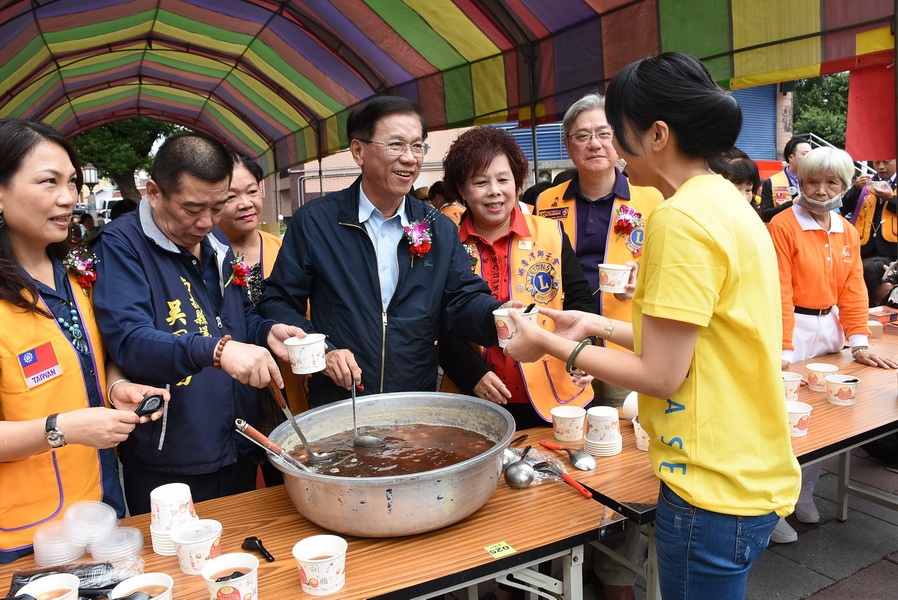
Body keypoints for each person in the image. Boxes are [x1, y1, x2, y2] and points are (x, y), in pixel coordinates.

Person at [504, 52, 801, 599]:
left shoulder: (676, 218)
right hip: (749, 466)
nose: (611, 147)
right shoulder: (727, 204)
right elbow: (700, 339)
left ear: (657, 134)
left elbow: (662, 375)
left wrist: (545, 342)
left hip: (709, 482)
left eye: (617, 132)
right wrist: (596, 322)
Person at [92, 132, 304, 514]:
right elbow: (128, 339)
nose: (207, 222)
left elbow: (235, 318)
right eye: (192, 209)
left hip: (236, 436)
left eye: (216, 206)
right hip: (172, 450)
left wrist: (264, 331)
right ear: (153, 191)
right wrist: (218, 350)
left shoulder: (216, 244)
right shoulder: (122, 245)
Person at [258, 96, 504, 406]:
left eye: (417, 146)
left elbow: (462, 300)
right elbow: (278, 301)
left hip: (415, 400)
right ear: (359, 150)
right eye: (396, 145)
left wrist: (500, 316)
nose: (410, 158)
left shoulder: (438, 227)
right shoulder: (316, 222)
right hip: (341, 399)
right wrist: (323, 349)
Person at [0, 118, 167, 562]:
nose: (69, 197)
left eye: (72, 181)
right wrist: (63, 429)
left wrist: (116, 387)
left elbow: (95, 356)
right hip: (25, 535)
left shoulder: (77, 277)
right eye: (48, 182)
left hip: (99, 506)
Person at [768, 146, 898, 543]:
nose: (821, 191)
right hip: (793, 329)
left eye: (832, 183)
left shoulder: (845, 228)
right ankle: (772, 508)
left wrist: (859, 342)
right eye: (812, 182)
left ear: (844, 185)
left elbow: (853, 287)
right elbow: (780, 293)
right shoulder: (783, 224)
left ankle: (804, 494)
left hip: (831, 330)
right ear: (800, 182)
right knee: (784, 423)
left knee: (827, 420)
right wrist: (784, 352)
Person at [438, 126, 596, 429]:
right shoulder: (448, 242)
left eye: (503, 179)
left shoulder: (550, 232)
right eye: (480, 182)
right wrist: (471, 373)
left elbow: (580, 302)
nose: (494, 191)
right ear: (461, 189)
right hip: (477, 394)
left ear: (518, 182)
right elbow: (438, 319)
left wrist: (586, 353)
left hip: (557, 394)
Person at [534, 93, 664, 409]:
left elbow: (666, 272)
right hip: (567, 344)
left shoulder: (651, 199)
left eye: (604, 133)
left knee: (628, 429)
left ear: (619, 140)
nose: (595, 144)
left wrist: (641, 285)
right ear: (568, 145)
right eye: (583, 136)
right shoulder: (546, 202)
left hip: (628, 344)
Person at [215, 150, 287, 486]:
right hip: (228, 391)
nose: (245, 203)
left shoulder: (286, 250)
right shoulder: (205, 259)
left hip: (284, 387)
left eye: (251, 191)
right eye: (230, 196)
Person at [840, 159, 898, 259]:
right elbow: (844, 208)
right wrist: (856, 189)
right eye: (877, 162)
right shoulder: (866, 182)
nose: (881, 167)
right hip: (865, 248)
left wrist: (891, 199)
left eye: (886, 162)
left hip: (893, 248)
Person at [759, 137, 811, 222]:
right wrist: (792, 204)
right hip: (784, 230)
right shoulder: (771, 182)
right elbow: (765, 215)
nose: (810, 158)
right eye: (805, 154)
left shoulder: (817, 180)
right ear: (791, 157)